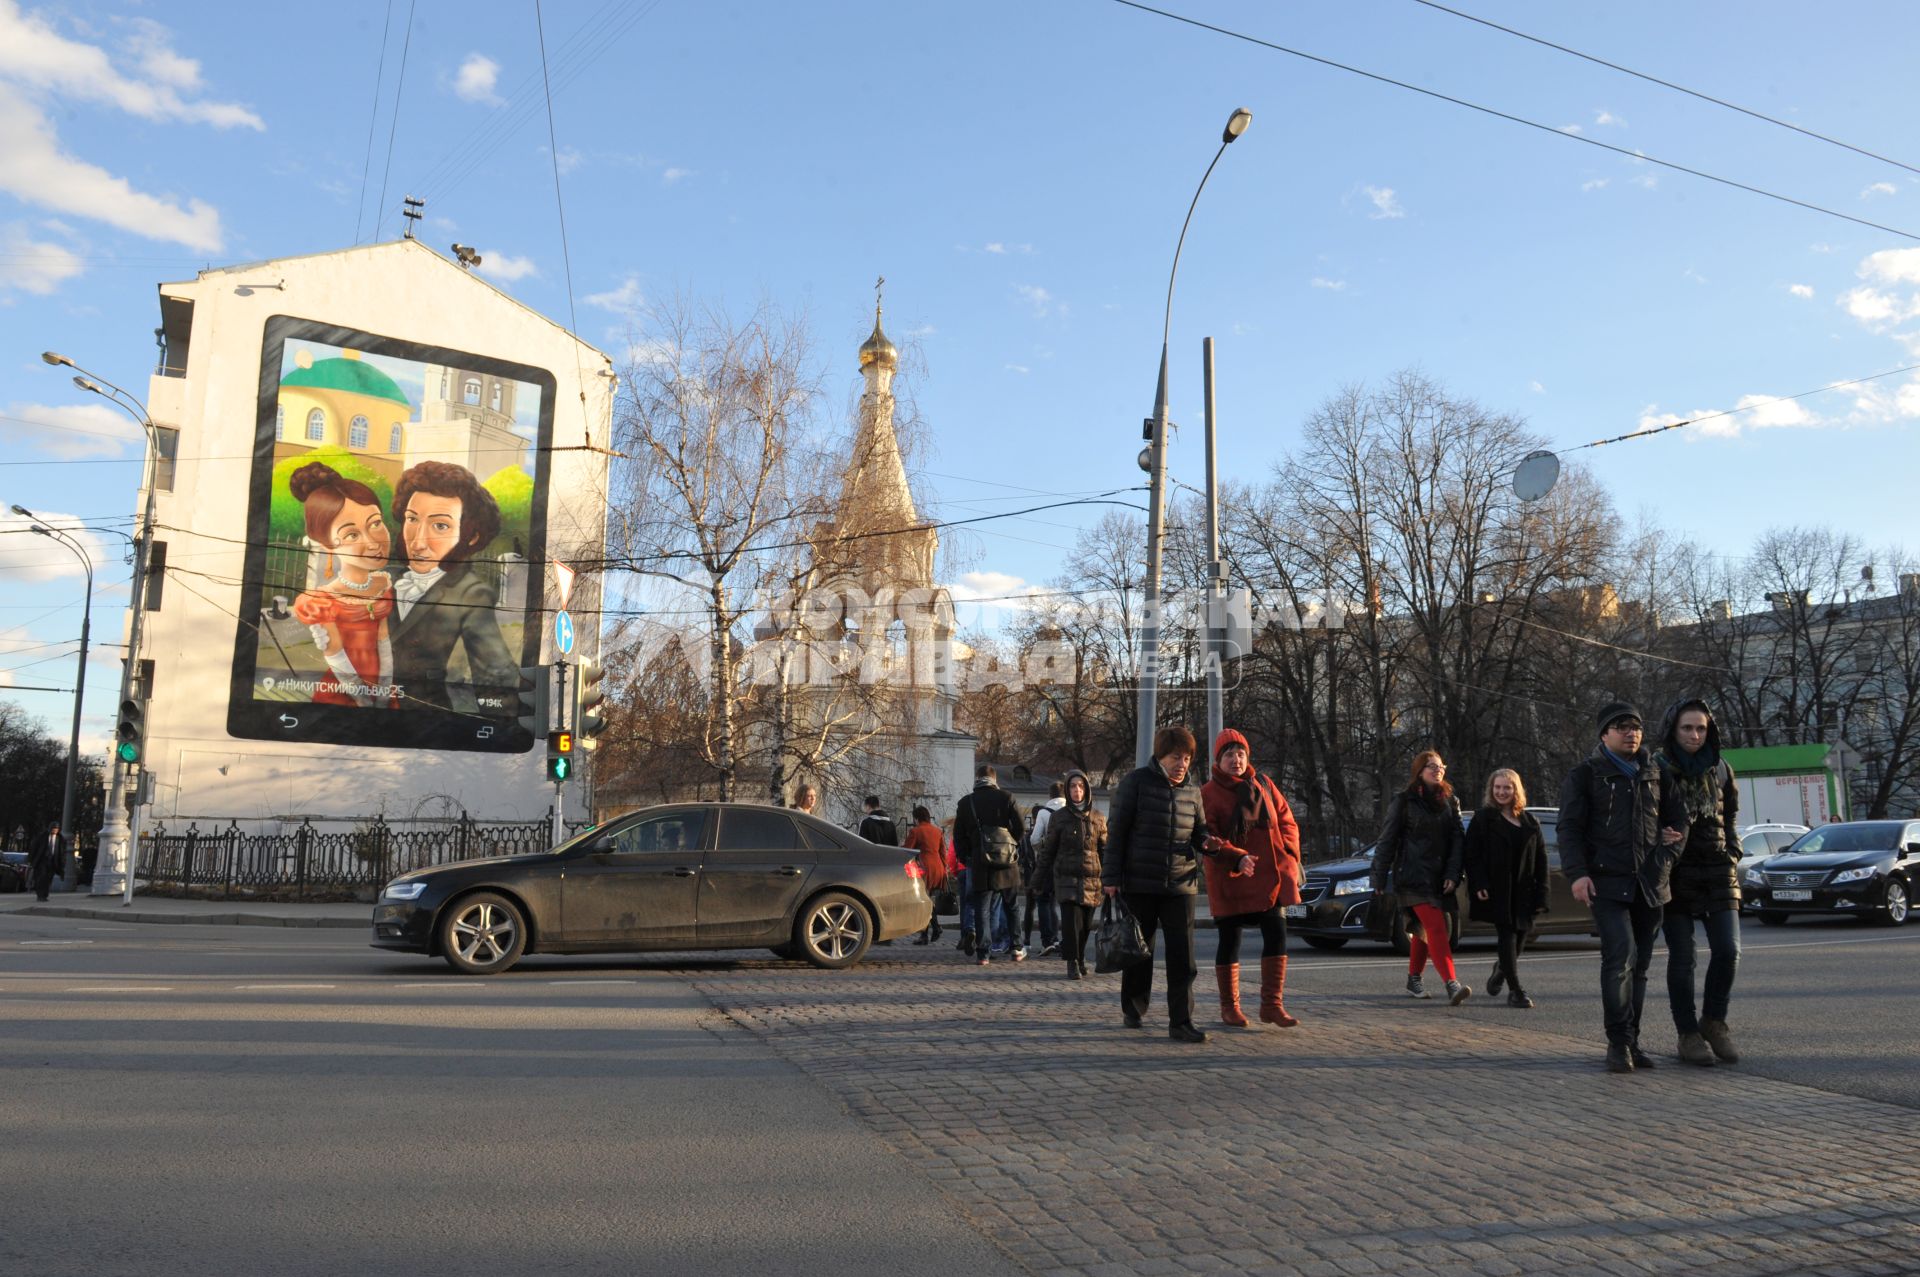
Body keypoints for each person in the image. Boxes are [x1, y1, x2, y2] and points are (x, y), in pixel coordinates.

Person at [1559, 701, 1688, 1074]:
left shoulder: (1656, 773)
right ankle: (1617, 1043)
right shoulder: (1585, 775)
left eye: (1635, 726)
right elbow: (1569, 829)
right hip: (1606, 883)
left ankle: (1633, 1040)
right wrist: (1578, 873)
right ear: (1604, 734)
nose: (1631, 733)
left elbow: (1679, 820)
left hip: (1650, 883)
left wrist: (1668, 853)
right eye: (1621, 727)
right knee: (1620, 957)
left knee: (1641, 966)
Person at [1102, 725, 1231, 1044]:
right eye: (1176, 756)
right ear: (1160, 756)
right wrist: (1111, 878)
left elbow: (1199, 830)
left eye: (1187, 758)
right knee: (1139, 950)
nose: (1182, 763)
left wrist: (1207, 843)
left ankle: (1181, 1021)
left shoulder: (1193, 791)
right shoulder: (1135, 783)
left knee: (1182, 956)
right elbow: (1116, 832)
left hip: (1180, 885)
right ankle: (1133, 1007)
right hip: (1139, 882)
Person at [387, 460, 518, 715]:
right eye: (412, 519)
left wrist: (499, 733)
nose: (419, 541)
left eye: (440, 525)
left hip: (424, 723)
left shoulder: (470, 594)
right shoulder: (384, 579)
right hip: (356, 718)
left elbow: (498, 676)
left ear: (471, 536)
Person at [1654, 698, 1743, 1067]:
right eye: (1687, 728)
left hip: (1718, 869)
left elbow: (1732, 814)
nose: (1694, 734)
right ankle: (1687, 1033)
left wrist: (1733, 850)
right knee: (1683, 958)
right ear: (1673, 730)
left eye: (1701, 728)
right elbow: (1644, 816)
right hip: (1676, 872)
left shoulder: (1720, 768)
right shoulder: (1657, 768)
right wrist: (1657, 839)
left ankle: (1714, 1021)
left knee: (1728, 950)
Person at [1200, 729, 1303, 1028]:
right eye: (1229, 755)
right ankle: (1229, 1007)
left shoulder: (1264, 784)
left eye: (1241, 754)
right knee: (1229, 939)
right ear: (1218, 760)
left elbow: (1287, 820)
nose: (1237, 760)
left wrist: (1290, 854)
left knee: (1277, 934)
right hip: (1231, 876)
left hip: (1269, 876)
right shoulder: (1208, 792)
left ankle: (1272, 1005)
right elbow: (1209, 837)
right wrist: (1237, 856)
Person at [287, 461, 396, 708]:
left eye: (376, 523)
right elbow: (334, 653)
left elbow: (383, 640)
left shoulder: (382, 584)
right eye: (351, 535)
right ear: (327, 545)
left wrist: (385, 691)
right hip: (345, 691)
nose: (372, 542)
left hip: (382, 687)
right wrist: (364, 701)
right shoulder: (321, 600)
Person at [1374, 751, 1470, 1005]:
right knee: (1438, 927)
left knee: (1422, 929)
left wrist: (1453, 874)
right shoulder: (1404, 801)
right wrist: (1379, 878)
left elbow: (1458, 841)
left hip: (1440, 878)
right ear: (1419, 771)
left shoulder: (1451, 801)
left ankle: (1413, 979)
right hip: (1412, 877)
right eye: (1430, 766)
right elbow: (1387, 840)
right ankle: (1452, 984)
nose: (1437, 770)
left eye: (1440, 766)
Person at [1464, 768, 1548, 1010]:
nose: (1501, 792)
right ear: (1491, 790)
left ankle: (1501, 969)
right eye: (1497, 787)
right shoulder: (1484, 819)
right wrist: (1479, 882)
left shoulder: (1530, 822)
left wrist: (1543, 893)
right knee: (1507, 936)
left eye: (1507, 788)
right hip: (1498, 889)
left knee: (1522, 937)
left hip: (1525, 890)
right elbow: (1472, 855)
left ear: (1516, 790)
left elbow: (1541, 860)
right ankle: (1516, 991)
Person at [1034, 770, 1107, 979]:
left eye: (1081, 786)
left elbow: (1105, 851)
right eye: (1073, 786)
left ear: (1087, 790)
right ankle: (1072, 962)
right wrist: (1037, 879)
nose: (1077, 790)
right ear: (1067, 790)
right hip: (1066, 877)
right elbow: (1048, 851)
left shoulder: (1098, 818)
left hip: (1092, 878)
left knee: (1084, 925)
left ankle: (1081, 957)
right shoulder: (1059, 818)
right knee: (1070, 923)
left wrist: (1111, 878)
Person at [954, 764, 1026, 965]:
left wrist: (968, 854)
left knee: (981, 909)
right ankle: (1016, 948)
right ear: (994, 780)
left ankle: (983, 953)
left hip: (980, 861)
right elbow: (1021, 827)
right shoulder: (1006, 797)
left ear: (977, 779)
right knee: (1012, 906)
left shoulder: (966, 803)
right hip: (1006, 862)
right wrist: (1011, 845)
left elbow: (958, 835)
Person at [1023, 782, 1065, 957]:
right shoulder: (1071, 810)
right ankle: (1061, 940)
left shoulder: (1043, 813)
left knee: (1043, 900)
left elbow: (1033, 840)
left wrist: (1045, 847)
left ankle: (1048, 940)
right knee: (1062, 902)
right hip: (1066, 862)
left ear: (1050, 795)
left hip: (1047, 863)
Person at [903, 806, 948, 945]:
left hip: (923, 868)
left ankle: (932, 929)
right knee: (928, 900)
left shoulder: (915, 831)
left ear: (916, 818)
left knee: (923, 901)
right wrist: (945, 870)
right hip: (938, 868)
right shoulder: (937, 831)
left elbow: (906, 851)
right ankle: (929, 931)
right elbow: (943, 853)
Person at [29, 821, 65, 902]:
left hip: (53, 861)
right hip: (42, 861)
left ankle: (45, 895)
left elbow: (61, 852)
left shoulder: (60, 838)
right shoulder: (42, 837)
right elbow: (34, 848)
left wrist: (62, 863)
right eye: (53, 829)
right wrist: (31, 860)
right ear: (50, 829)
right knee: (41, 878)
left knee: (49, 879)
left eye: (56, 829)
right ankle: (40, 895)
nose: (55, 830)